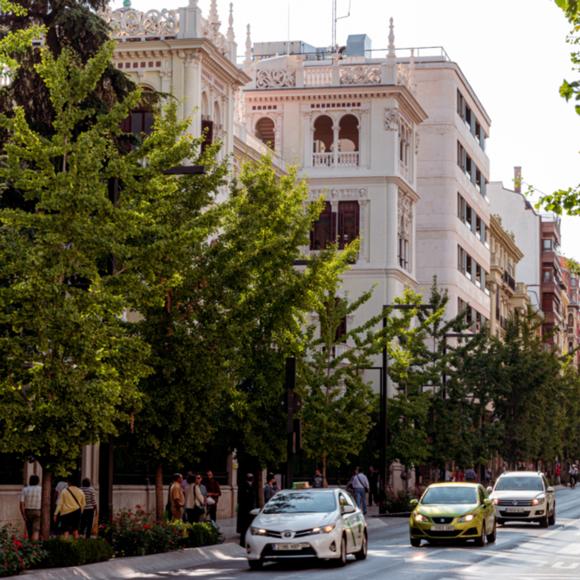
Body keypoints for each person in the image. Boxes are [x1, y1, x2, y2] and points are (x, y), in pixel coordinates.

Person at [54, 476, 86, 540]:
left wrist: (55, 514)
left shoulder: (64, 491)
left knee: (66, 531)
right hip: (77, 511)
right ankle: (76, 547)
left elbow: (60, 503)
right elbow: (84, 504)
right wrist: (81, 511)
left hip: (66, 513)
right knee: (76, 530)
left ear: (69, 483)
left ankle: (66, 547)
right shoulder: (81, 491)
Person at [237, 473, 257, 547]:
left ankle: (248, 542)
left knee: (249, 527)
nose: (251, 479)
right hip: (245, 511)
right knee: (244, 528)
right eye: (250, 477)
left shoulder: (253, 486)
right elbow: (243, 499)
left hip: (251, 511)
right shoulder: (243, 486)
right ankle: (242, 543)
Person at [20, 475, 42, 541]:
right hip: (38, 510)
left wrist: (23, 515)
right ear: (38, 481)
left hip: (28, 511)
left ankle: (30, 547)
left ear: (30, 481)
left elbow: (21, 503)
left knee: (29, 530)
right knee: (36, 530)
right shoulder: (41, 489)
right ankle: (34, 547)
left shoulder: (25, 489)